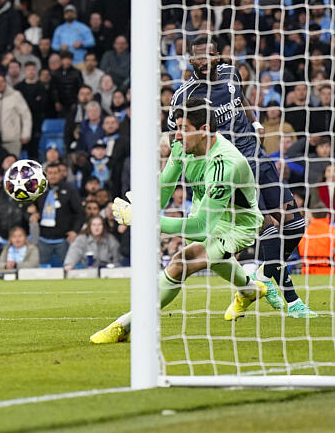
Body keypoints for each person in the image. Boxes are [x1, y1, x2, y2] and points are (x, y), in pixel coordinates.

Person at [91, 98, 268, 344]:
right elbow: (163, 191)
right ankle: (249, 290)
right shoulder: (182, 146)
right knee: (208, 255)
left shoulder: (224, 165)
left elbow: (200, 228)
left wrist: (145, 221)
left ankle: (126, 325)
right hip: (206, 210)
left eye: (183, 128)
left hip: (238, 224)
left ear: (204, 130)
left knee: (183, 261)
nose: (176, 136)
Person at [169, 38, 315, 317]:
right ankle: (294, 302)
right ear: (191, 62)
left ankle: (261, 274)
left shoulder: (230, 74)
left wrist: (256, 121)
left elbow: (242, 100)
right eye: (195, 59)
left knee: (295, 224)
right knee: (269, 226)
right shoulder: (185, 96)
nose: (201, 63)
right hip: (233, 169)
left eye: (206, 57)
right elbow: (177, 134)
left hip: (258, 156)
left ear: (216, 57)